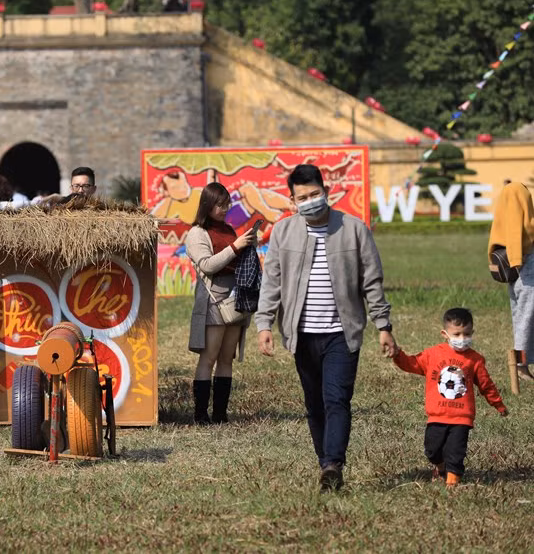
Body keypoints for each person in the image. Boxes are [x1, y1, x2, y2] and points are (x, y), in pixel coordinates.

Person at [255, 164, 396, 491]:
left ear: (326, 191)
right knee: (314, 405)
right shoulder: (283, 232)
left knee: (336, 400)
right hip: (301, 336)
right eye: (302, 197)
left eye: (315, 194)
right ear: (292, 200)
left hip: (341, 334)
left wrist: (383, 325)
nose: (310, 201)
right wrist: (264, 324)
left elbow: (372, 281)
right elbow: (272, 282)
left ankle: (333, 463)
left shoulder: (354, 229)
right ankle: (325, 465)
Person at [392, 308, 508, 487]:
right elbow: (411, 363)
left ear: (473, 333)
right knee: (432, 451)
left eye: (467, 334)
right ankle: (441, 467)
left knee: (456, 452)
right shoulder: (432, 354)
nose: (462, 339)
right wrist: (397, 354)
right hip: (437, 415)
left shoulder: (475, 359)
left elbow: (486, 384)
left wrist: (498, 404)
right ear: (445, 334)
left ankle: (452, 483)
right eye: (457, 334)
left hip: (462, 418)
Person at [185, 182, 256, 424]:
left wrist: (246, 247)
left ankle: (220, 414)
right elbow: (207, 265)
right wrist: (236, 247)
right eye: (219, 204)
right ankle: (200, 414)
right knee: (209, 357)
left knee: (227, 358)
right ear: (207, 204)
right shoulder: (196, 233)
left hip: (236, 298)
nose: (225, 208)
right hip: (213, 299)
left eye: (227, 203)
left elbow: (235, 259)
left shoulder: (228, 229)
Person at [488, 182, 534, 381]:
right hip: (524, 264)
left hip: (518, 265)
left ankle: (521, 364)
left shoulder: (507, 196)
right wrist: (516, 260)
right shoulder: (517, 192)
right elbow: (516, 231)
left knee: (521, 317)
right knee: (525, 319)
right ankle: (521, 366)